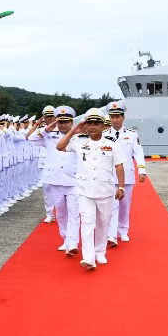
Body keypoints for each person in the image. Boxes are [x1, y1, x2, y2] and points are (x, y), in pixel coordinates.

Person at [56, 108, 125, 270]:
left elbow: (119, 166)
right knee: (87, 223)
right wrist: (74, 130)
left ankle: (100, 251)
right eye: (90, 123)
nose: (92, 126)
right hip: (84, 191)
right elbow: (59, 147)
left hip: (105, 191)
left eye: (96, 124)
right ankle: (88, 258)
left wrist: (121, 186)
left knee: (103, 223)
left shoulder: (111, 145)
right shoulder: (78, 142)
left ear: (102, 126)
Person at [27, 106, 79, 253]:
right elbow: (31, 138)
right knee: (61, 213)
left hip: (73, 181)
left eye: (66, 122)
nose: (63, 125)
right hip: (55, 180)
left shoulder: (78, 136)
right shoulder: (49, 135)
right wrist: (47, 128)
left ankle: (73, 243)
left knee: (74, 213)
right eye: (60, 122)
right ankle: (65, 239)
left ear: (71, 121)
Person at [104, 100, 146, 247]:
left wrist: (142, 170)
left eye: (118, 117)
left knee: (124, 206)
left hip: (126, 176)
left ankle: (123, 229)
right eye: (113, 117)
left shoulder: (132, 135)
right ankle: (112, 234)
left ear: (123, 118)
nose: (115, 120)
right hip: (109, 175)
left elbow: (138, 153)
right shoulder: (103, 134)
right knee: (112, 205)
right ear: (109, 118)